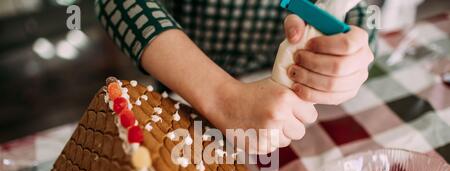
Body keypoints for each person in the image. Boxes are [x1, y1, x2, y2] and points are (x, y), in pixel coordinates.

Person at [95, 0, 375, 153]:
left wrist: (353, 47)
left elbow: (362, 10)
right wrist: (222, 97)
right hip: (188, 86)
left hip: (291, 107)